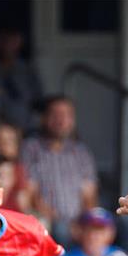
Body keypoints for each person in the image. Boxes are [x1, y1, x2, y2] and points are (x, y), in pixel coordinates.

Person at [20, 96, 98, 242]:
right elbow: (32, 195)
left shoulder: (81, 152)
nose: (61, 120)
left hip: (79, 222)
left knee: (122, 225)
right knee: (61, 230)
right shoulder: (31, 148)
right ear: (44, 118)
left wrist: (85, 223)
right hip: (48, 221)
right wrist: (63, 223)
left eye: (67, 115)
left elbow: (89, 196)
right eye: (55, 114)